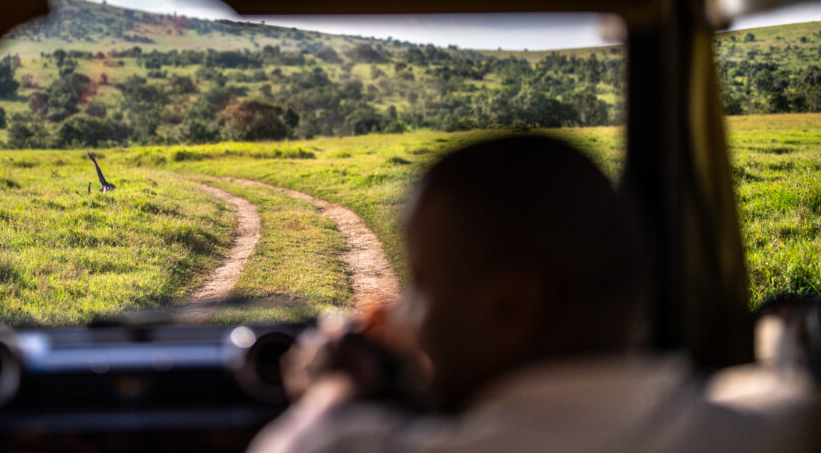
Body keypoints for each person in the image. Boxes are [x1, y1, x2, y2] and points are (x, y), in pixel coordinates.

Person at [249, 135, 818, 452]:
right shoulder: (781, 424)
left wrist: (332, 389)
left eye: (419, 286)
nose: (393, 314)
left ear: (509, 308)